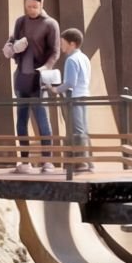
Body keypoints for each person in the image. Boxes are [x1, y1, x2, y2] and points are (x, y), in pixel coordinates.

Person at [3, 0, 62, 174]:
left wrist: (45, 68)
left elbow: (55, 51)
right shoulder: (20, 21)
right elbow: (11, 41)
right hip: (21, 76)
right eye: (28, 6)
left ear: (41, 5)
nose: (31, 9)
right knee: (21, 120)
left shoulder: (50, 24)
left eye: (35, 6)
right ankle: (25, 161)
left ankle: (47, 161)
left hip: (39, 78)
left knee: (42, 119)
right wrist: (11, 47)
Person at [59, 26, 93, 172]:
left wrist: (56, 89)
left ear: (72, 44)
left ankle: (80, 163)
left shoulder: (71, 60)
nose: (61, 45)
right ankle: (88, 161)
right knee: (83, 129)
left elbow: (70, 83)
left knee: (76, 129)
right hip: (84, 93)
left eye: (63, 42)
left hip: (74, 97)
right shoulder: (84, 57)